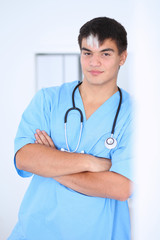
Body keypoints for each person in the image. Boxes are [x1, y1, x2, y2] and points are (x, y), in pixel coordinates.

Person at [8, 17, 133, 240]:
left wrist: (51, 162)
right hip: (34, 231)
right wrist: (91, 163)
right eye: (87, 53)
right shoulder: (49, 99)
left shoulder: (135, 115)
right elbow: (25, 159)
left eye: (105, 54)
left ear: (122, 57)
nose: (94, 62)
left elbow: (121, 188)